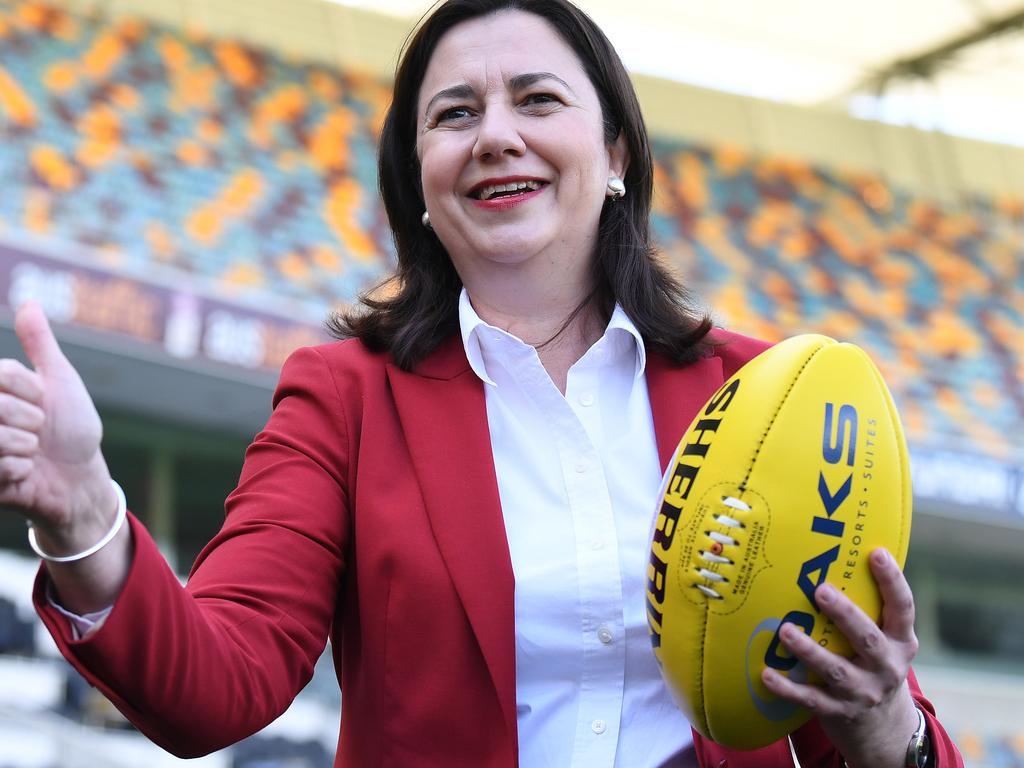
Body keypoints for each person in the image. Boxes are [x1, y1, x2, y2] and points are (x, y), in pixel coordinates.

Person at [0, 1, 963, 766]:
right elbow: (216, 688)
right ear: (418, 179)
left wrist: (890, 734)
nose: (496, 135)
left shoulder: (764, 394)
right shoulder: (345, 398)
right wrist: (85, 515)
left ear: (618, 152)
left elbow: (844, 711)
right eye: (455, 113)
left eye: (538, 101)